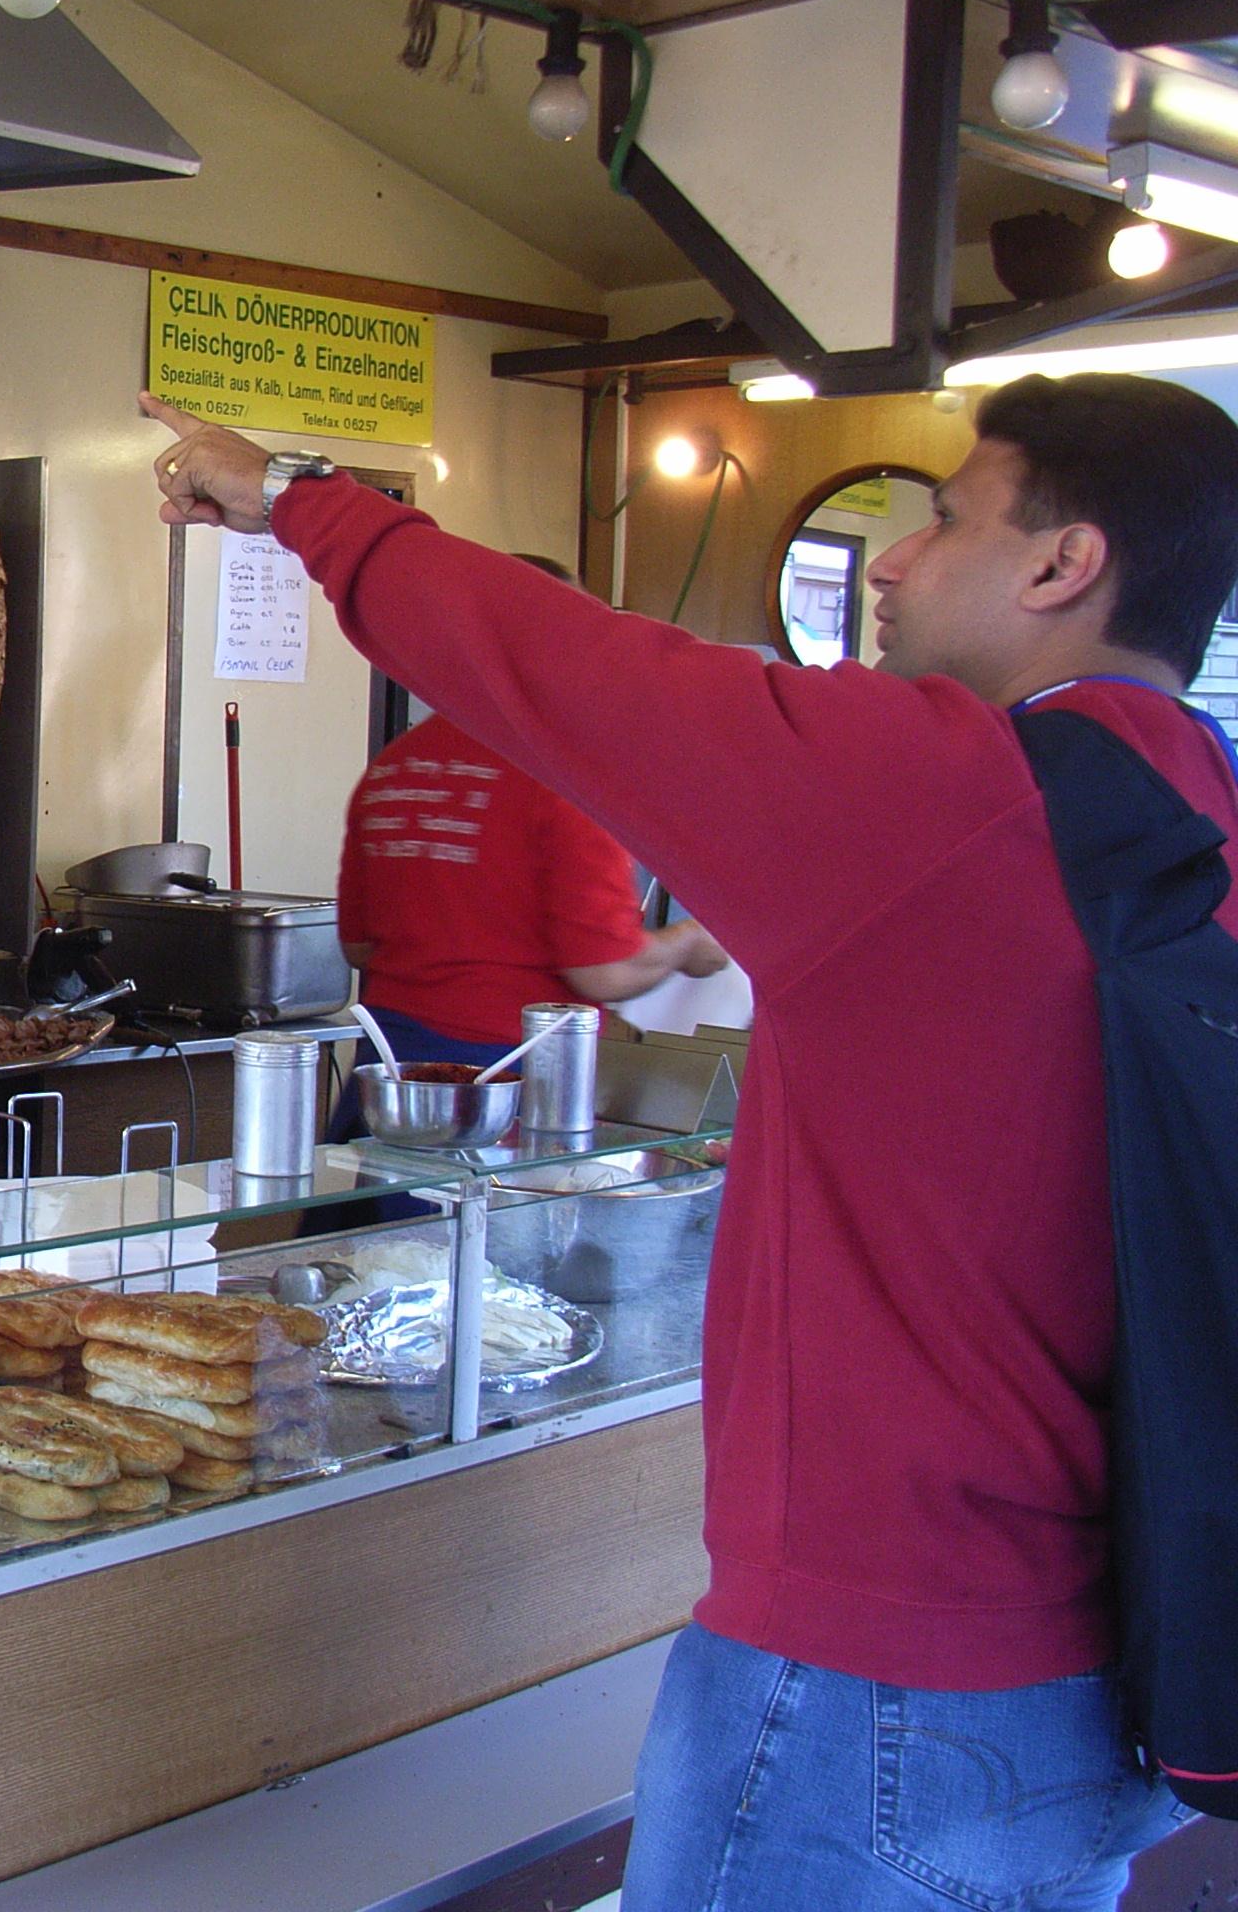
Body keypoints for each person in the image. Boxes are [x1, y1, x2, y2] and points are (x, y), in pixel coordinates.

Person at [143, 374, 1238, 1910]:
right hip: (1111, 1678)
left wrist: (297, 502)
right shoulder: (1199, 802)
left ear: (1066, 564)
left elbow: (573, 669)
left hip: (873, 1685)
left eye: (943, 520)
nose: (894, 562)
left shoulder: (944, 791)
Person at [331, 551, 726, 1138]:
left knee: (362, 1201)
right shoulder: (565, 773)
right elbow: (604, 971)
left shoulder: (394, 766)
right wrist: (689, 943)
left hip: (388, 1070)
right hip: (505, 1081)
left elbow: (359, 946)